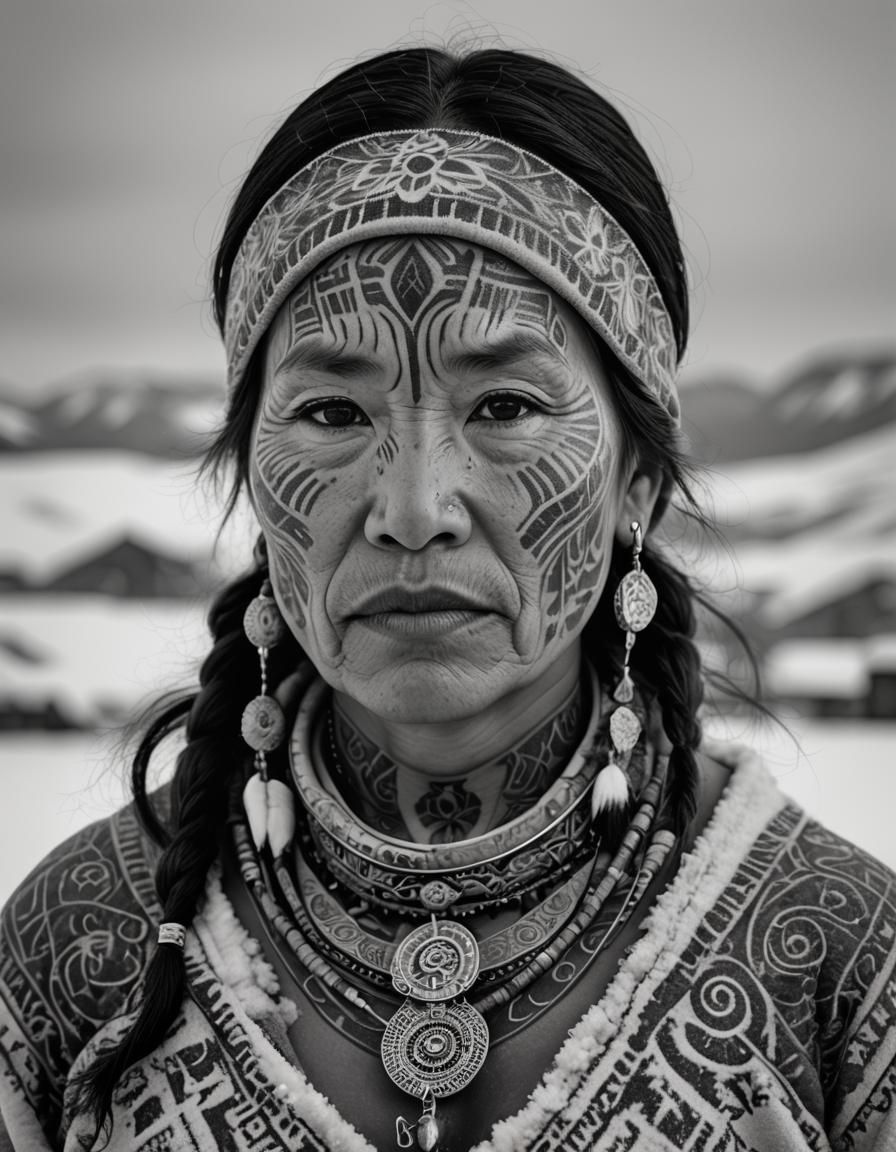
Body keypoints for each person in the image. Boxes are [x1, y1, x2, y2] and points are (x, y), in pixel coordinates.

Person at [0, 45, 893, 1152]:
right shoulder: (77, 947)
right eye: (331, 413)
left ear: (639, 482)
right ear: (249, 480)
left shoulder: (841, 963)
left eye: (505, 404)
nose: (414, 507)